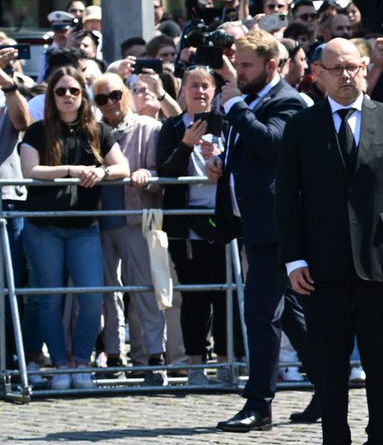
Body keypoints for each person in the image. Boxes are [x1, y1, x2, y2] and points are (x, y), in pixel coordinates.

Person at [278, 38, 383, 445]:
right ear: (317, 74)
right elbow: (287, 198)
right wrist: (293, 260)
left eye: (352, 67)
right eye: (335, 68)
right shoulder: (301, 126)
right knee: (329, 364)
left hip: (380, 262)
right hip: (321, 267)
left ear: (364, 68)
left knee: (381, 364)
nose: (345, 75)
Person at [207, 29, 312, 432]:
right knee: (290, 316)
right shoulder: (246, 100)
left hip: (276, 225)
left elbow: (271, 144)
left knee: (261, 313)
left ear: (271, 65)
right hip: (252, 221)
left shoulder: (287, 100)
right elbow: (248, 150)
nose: (238, 71)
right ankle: (327, 384)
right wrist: (222, 162)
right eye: (237, 62)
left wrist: (235, 107)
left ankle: (259, 404)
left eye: (246, 64)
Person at [19, 66, 129, 390]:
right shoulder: (38, 130)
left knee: (92, 296)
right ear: (51, 97)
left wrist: (100, 173)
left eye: (74, 91)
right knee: (50, 299)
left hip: (84, 227)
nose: (68, 96)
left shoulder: (96, 130)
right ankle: (60, 364)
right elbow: (30, 169)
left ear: (83, 96)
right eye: (61, 91)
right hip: (44, 227)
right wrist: (71, 169)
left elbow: (122, 167)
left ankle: (82, 363)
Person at [155, 66, 231, 386]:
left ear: (214, 92)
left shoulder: (228, 124)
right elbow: (165, 172)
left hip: (224, 220)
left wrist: (222, 161)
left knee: (225, 295)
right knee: (194, 295)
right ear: (182, 92)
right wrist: (186, 144)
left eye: (206, 87)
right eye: (193, 87)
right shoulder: (171, 127)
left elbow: (245, 165)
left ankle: (227, 362)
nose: (199, 92)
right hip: (185, 224)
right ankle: (196, 364)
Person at [93, 73, 166, 382]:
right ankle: (112, 353)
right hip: (99, 221)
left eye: (115, 95)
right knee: (107, 293)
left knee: (144, 289)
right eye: (101, 99)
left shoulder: (148, 127)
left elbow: (162, 168)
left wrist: (145, 174)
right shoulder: (92, 132)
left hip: (137, 216)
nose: (110, 103)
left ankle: (151, 355)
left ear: (125, 94)